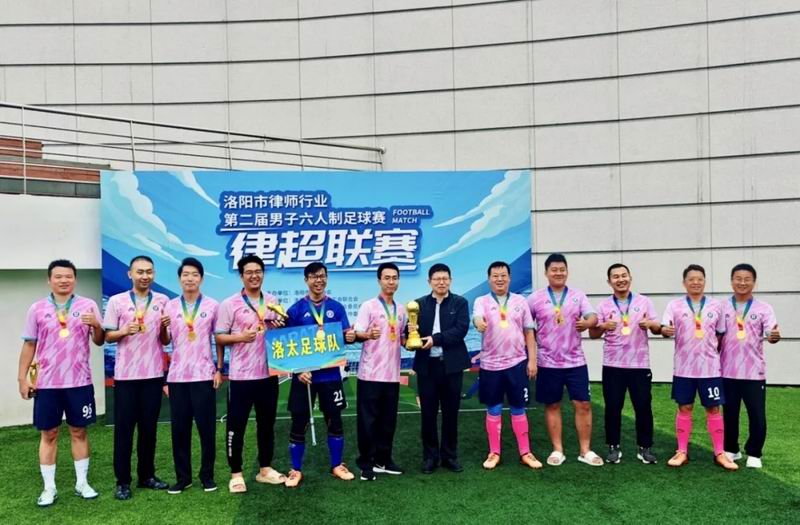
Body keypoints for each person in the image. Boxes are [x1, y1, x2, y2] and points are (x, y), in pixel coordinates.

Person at [18, 259, 104, 507]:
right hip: (46, 384)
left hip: (79, 381)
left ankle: (82, 483)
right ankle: (49, 488)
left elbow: (99, 340)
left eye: (68, 276)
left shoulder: (88, 305)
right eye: (58, 276)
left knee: (79, 431)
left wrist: (96, 325)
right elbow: (29, 344)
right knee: (49, 433)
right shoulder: (37, 309)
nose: (64, 280)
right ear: (49, 280)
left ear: (75, 279)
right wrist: (22, 378)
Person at [215, 254, 286, 493]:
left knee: (267, 425)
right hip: (241, 377)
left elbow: (279, 334)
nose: (254, 276)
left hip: (268, 375)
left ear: (263, 274)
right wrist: (240, 337)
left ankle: (265, 469)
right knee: (236, 426)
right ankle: (236, 473)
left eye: (258, 271)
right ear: (241, 276)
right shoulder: (230, 304)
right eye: (249, 272)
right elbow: (219, 337)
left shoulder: (272, 300)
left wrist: (279, 326)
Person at [283, 262, 357, 488]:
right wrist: (298, 370)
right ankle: (295, 470)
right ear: (306, 280)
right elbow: (288, 345)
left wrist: (350, 336)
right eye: (314, 276)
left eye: (322, 276)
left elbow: (344, 335)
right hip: (304, 377)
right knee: (299, 422)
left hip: (330, 376)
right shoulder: (295, 310)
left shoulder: (336, 307)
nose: (319, 280)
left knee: (335, 421)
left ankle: (337, 465)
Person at [103, 255, 170, 500]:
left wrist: (163, 327)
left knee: (149, 429)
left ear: (154, 274)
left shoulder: (162, 301)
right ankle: (122, 481)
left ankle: (147, 476)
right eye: (140, 272)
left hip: (153, 374)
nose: (145, 276)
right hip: (126, 377)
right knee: (124, 430)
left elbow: (165, 340)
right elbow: (108, 336)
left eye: (149, 272)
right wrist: (124, 330)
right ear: (129, 274)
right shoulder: (117, 301)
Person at [661, 264, 738, 470]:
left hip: (710, 369)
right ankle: (682, 451)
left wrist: (708, 353)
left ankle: (719, 453)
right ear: (684, 282)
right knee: (684, 407)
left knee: (713, 408)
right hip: (683, 369)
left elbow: (720, 335)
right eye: (691, 279)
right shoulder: (674, 305)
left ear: (705, 281)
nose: (695, 282)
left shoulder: (716, 306)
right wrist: (665, 331)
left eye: (699, 279)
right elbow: (665, 327)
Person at [527, 253, 602, 467]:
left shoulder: (578, 295)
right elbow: (526, 326)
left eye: (562, 269)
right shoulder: (535, 298)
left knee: (583, 404)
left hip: (576, 361)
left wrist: (588, 323)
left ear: (567, 271)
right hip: (547, 362)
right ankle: (557, 450)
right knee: (552, 404)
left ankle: (585, 450)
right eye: (554, 270)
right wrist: (532, 357)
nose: (558, 273)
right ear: (546, 273)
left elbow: (592, 316)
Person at [589, 263, 661, 464]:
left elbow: (657, 328)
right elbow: (593, 334)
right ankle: (613, 447)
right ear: (609, 281)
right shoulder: (603, 306)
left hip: (639, 365)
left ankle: (645, 448)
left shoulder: (644, 302)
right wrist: (603, 326)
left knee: (643, 406)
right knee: (613, 407)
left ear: (630, 277)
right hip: (613, 365)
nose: (620, 279)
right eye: (616, 277)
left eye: (624, 275)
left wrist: (650, 325)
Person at [161, 258, 221, 494]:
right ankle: (183, 477)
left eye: (194, 274)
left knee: (207, 429)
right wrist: (162, 327)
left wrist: (219, 369)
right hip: (177, 377)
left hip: (204, 374)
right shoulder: (170, 306)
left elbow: (218, 339)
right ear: (179, 278)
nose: (190, 278)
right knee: (180, 430)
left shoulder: (213, 305)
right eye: (185, 274)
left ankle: (207, 476)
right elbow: (164, 341)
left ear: (201, 278)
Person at [473, 261, 540, 470]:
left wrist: (532, 360)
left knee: (518, 407)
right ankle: (494, 452)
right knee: (493, 408)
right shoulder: (481, 301)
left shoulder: (521, 301)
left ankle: (525, 452)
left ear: (509, 278)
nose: (499, 279)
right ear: (489, 279)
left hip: (516, 363)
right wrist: (478, 323)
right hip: (490, 365)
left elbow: (529, 332)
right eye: (495, 275)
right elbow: (477, 318)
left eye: (503, 275)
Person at [411, 263, 470, 474]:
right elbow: (412, 333)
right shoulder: (418, 305)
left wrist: (435, 339)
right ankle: (430, 457)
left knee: (450, 413)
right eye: (437, 279)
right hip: (427, 367)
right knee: (428, 414)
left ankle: (449, 456)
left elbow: (460, 330)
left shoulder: (460, 303)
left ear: (450, 281)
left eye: (445, 278)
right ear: (429, 282)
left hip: (451, 366)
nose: (441, 282)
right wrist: (410, 336)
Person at [720, 263, 780, 469]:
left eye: (747, 279)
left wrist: (774, 336)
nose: (742, 283)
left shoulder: (764, 308)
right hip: (727, 371)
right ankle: (731, 449)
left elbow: (771, 334)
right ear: (731, 281)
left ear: (754, 282)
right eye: (738, 278)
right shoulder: (721, 307)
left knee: (757, 414)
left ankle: (754, 453)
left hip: (754, 372)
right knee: (730, 414)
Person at [353, 262, 407, 481]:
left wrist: (412, 338)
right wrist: (368, 334)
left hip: (392, 374)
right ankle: (366, 463)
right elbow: (357, 332)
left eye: (394, 278)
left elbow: (402, 338)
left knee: (388, 421)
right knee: (368, 422)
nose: (391, 282)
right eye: (387, 278)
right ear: (379, 280)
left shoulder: (401, 310)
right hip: (370, 374)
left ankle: (383, 461)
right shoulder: (369, 306)